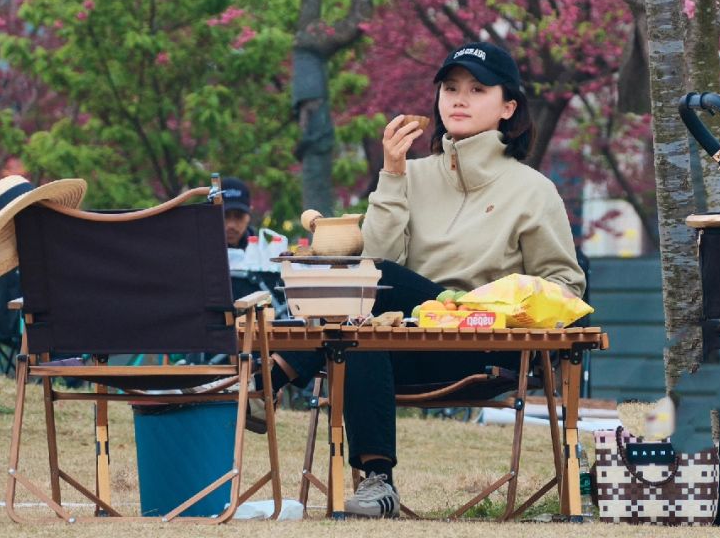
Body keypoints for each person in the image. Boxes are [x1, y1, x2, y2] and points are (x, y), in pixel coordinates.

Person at [269, 41, 586, 518]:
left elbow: (566, 286)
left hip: (482, 344)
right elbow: (375, 262)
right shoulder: (410, 176)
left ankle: (266, 378)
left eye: (478, 89)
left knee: (375, 284)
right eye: (450, 88)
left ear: (508, 107)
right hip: (406, 340)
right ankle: (378, 483)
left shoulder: (534, 191)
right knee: (361, 328)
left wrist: (494, 302)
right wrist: (392, 175)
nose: (459, 99)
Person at [221, 177, 254, 256]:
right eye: (224, 216)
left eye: (239, 216)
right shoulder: (198, 251)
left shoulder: (261, 254)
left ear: (249, 216)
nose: (231, 225)